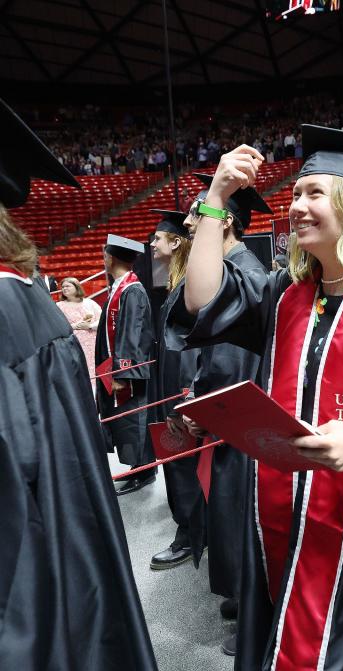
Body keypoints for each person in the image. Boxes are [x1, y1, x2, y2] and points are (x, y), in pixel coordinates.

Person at [168, 126, 343, 671]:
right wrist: (215, 199)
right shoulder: (281, 297)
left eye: (313, 193)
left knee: (322, 646)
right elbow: (202, 298)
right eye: (296, 193)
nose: (297, 205)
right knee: (281, 635)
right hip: (269, 514)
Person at [0, 96, 157, 670]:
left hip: (24, 588)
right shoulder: (31, 310)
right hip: (56, 568)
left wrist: (125, 371)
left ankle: (144, 473)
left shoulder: (12, 313)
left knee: (138, 427)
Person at [176, 172, 273, 656]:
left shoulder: (243, 276)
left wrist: (207, 410)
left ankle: (256, 608)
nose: (190, 224)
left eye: (200, 216)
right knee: (231, 516)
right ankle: (244, 596)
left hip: (242, 426)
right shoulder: (234, 269)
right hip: (228, 421)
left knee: (241, 519)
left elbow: (233, 368)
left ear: (227, 225)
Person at [146, 209, 203, 572]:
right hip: (168, 386)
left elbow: (191, 347)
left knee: (186, 462)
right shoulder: (174, 281)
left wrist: (185, 397)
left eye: (157, 238)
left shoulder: (189, 287)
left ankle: (190, 532)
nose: (151, 244)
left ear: (177, 242)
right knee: (180, 461)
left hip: (181, 390)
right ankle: (193, 526)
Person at [96, 232, 156, 495]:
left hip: (128, 374)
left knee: (134, 420)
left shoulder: (131, 290)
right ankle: (136, 467)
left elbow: (132, 334)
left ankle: (145, 470)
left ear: (110, 258)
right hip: (117, 368)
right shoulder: (120, 287)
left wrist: (122, 372)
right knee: (125, 421)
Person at [57, 276, 101, 385]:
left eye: (68, 286)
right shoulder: (59, 306)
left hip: (93, 342)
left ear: (77, 287)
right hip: (74, 344)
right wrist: (74, 326)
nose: (64, 288)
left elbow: (102, 320)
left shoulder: (90, 303)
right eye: (62, 287)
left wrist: (89, 326)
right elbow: (57, 326)